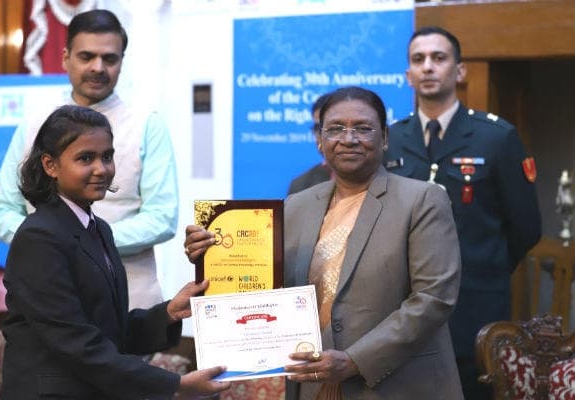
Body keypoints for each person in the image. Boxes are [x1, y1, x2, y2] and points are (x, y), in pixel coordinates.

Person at [185, 86, 463, 399]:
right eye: (335, 129)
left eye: (363, 128)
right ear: (320, 139)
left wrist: (354, 361)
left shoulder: (422, 200)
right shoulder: (296, 205)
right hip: (311, 384)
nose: (349, 139)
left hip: (394, 386)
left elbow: (433, 299)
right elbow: (267, 285)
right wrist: (211, 255)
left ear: (385, 137)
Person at [1, 105, 230, 399]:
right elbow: (77, 344)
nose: (102, 169)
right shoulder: (39, 237)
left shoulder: (99, 229)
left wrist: (169, 312)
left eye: (107, 156)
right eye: (85, 158)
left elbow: (110, 331)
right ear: (50, 165)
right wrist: (176, 385)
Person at [384, 26, 542, 399]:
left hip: (475, 305)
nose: (427, 67)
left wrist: (483, 265)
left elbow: (526, 226)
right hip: (401, 306)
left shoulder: (496, 137)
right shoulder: (391, 139)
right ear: (408, 75)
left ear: (459, 71)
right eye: (418, 60)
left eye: (438, 58)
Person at [0, 9, 178, 309]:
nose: (98, 67)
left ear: (122, 62)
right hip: (47, 289)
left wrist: (87, 242)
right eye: (87, 56)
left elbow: (162, 218)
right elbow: (4, 210)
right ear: (66, 58)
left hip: (129, 298)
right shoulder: (35, 123)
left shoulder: (146, 124)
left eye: (109, 58)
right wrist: (48, 243)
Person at [287, 92, 333, 194]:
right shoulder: (300, 186)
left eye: (334, 128)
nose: (323, 135)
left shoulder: (371, 180)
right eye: (318, 128)